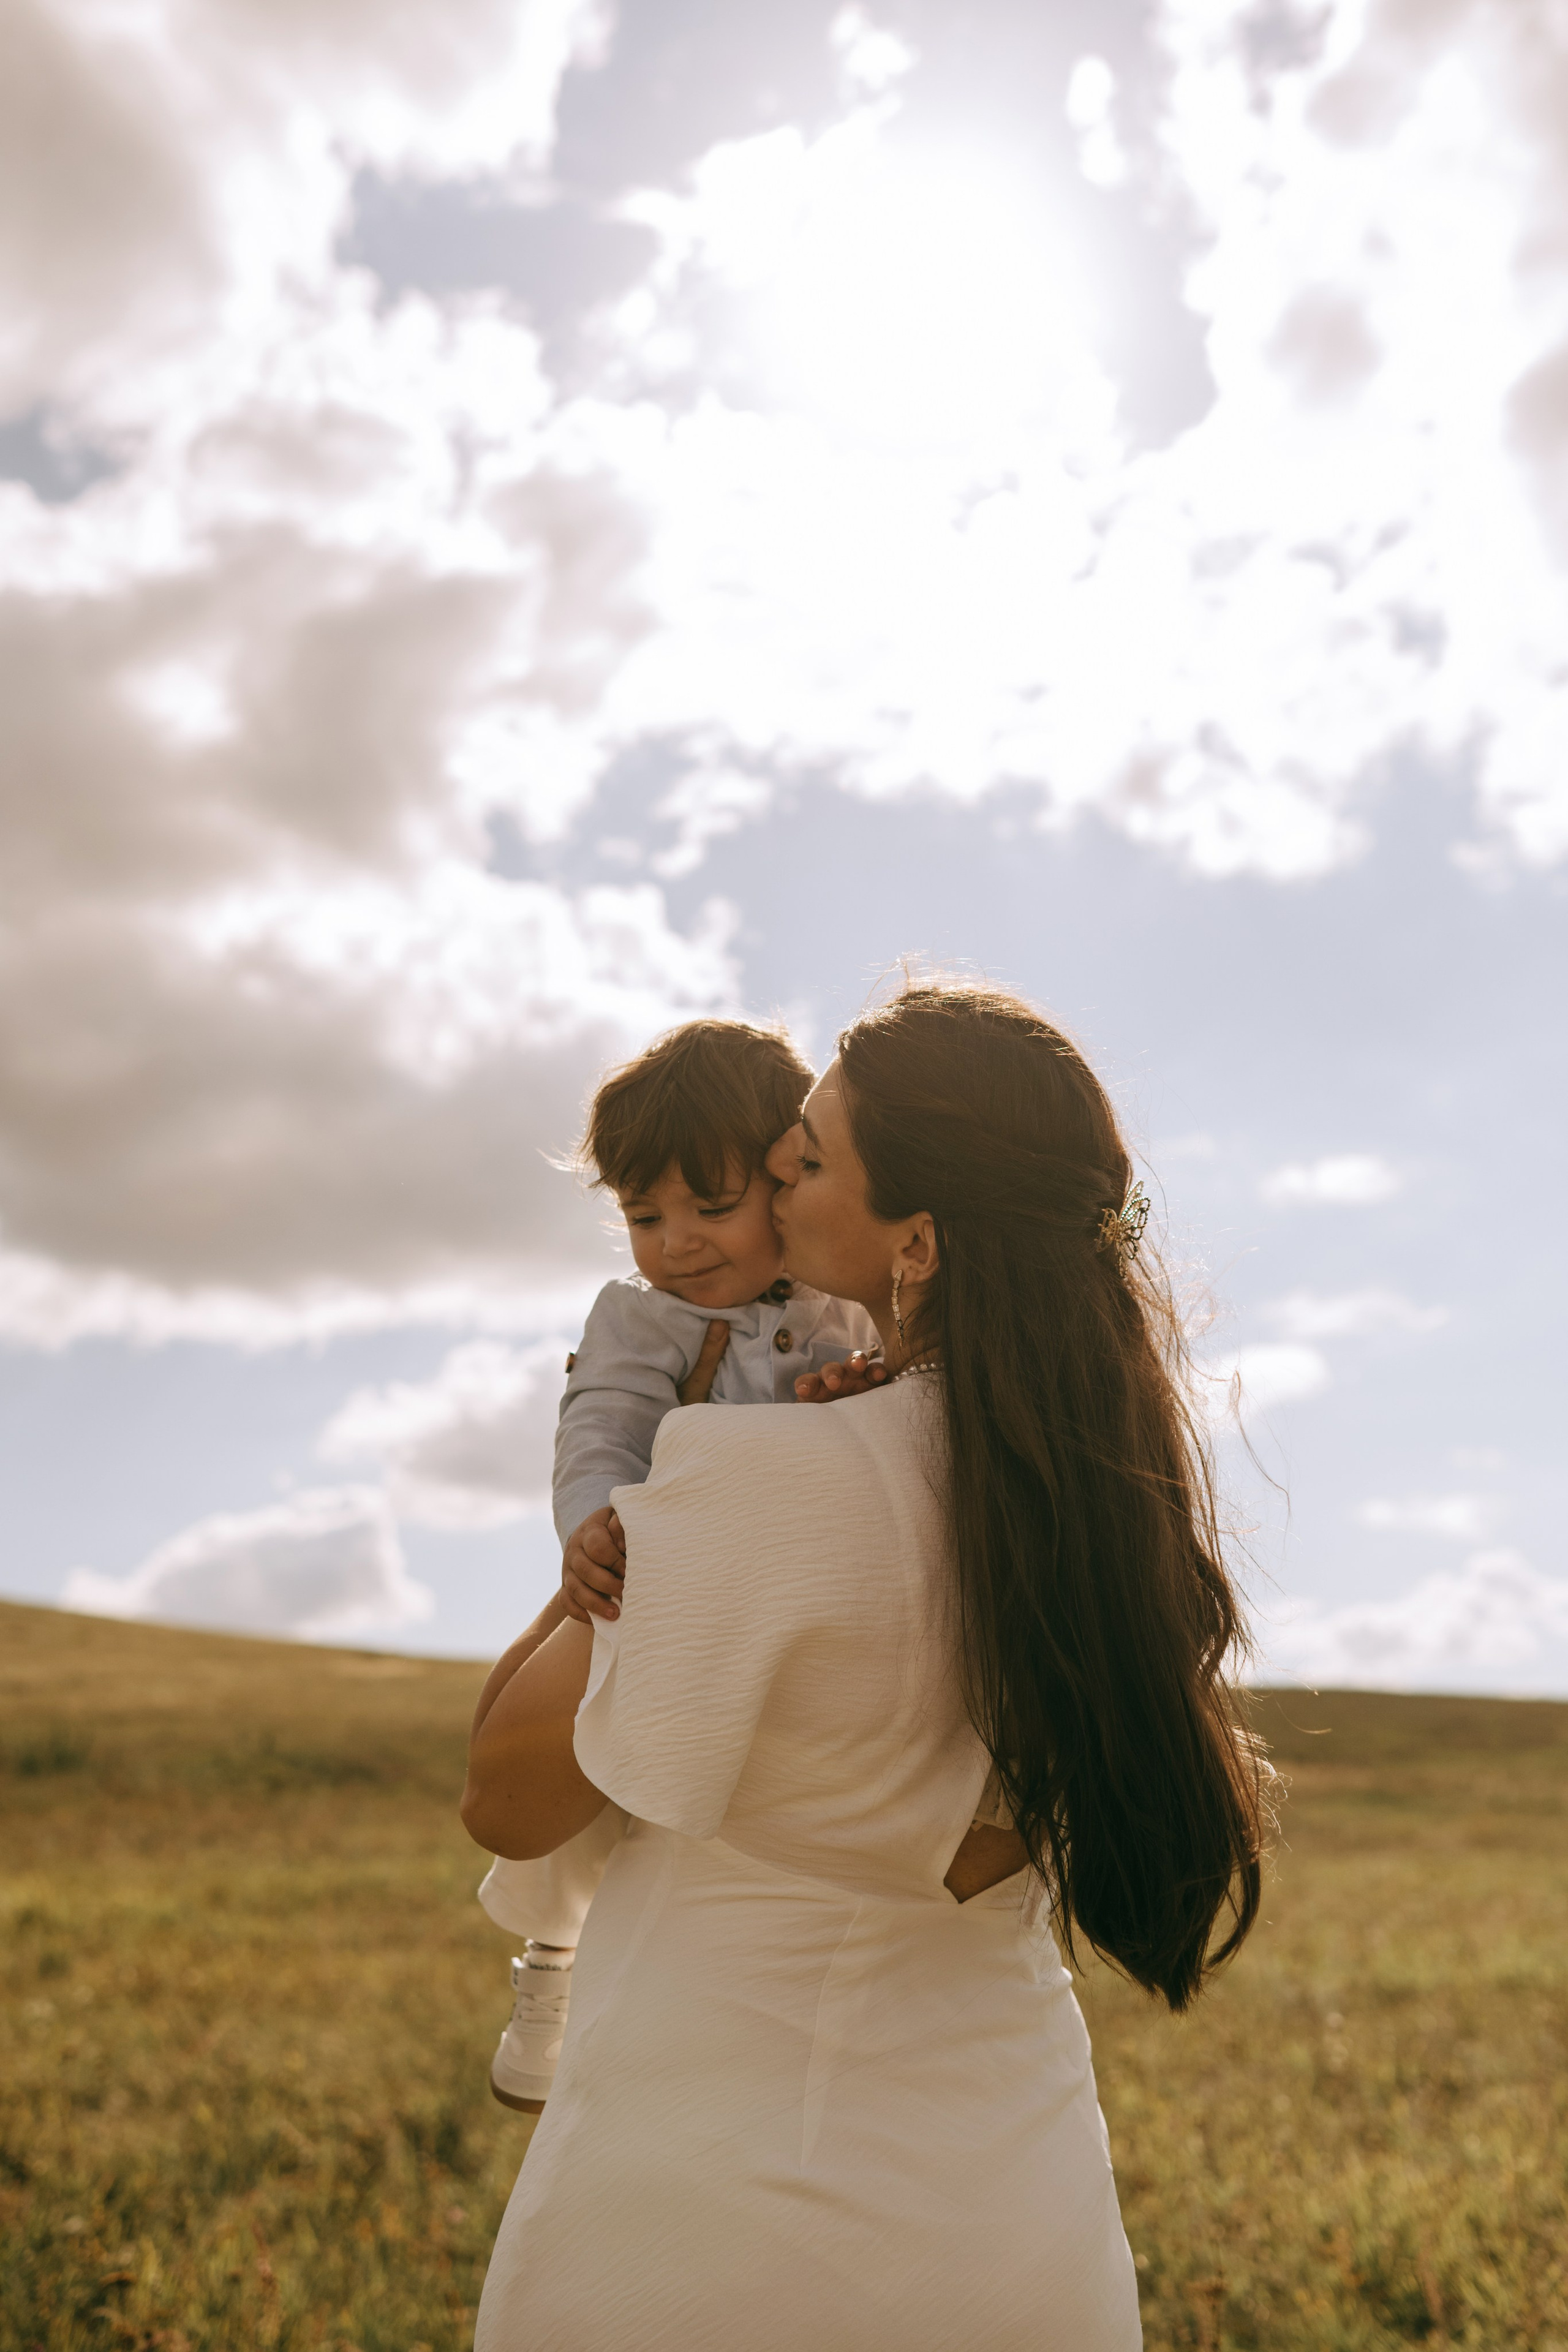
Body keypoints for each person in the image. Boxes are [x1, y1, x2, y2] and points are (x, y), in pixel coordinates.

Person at [462, 979, 1268, 2352]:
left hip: (714, 2204)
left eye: (809, 1156)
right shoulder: (1099, 1495)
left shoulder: (752, 1478)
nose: (777, 1169)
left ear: (919, 1241)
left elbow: (509, 1794)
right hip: (1013, 2201)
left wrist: (594, 1561)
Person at [481, 1019, 878, 2111]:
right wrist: (595, 1526)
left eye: (713, 1207)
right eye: (643, 1216)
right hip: (649, 1582)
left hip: (783, 1604)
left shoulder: (844, 1304)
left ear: (786, 1181)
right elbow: (599, 1428)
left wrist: (857, 1391)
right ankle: (551, 1962)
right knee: (588, 1769)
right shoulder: (635, 1319)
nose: (678, 1244)